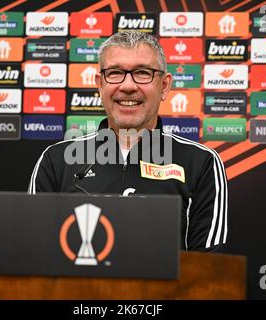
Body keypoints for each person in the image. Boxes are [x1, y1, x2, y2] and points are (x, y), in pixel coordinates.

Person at [28, 31, 228, 252]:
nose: (128, 86)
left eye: (143, 73)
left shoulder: (201, 163)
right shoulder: (56, 160)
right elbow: (35, 254)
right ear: (99, 84)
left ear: (164, 86)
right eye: (115, 73)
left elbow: (208, 271)